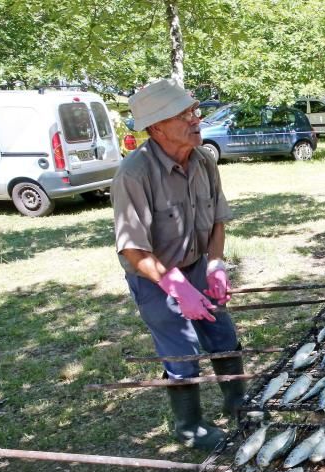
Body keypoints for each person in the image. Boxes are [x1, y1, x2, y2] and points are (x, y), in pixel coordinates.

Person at [112, 79, 244, 450]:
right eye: (184, 114)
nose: (195, 119)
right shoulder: (134, 175)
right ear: (156, 127)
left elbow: (217, 217)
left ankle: (239, 403)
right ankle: (190, 427)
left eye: (194, 110)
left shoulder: (203, 159)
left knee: (223, 336)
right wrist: (175, 286)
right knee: (181, 350)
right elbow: (132, 251)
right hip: (154, 277)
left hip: (197, 265)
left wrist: (215, 263)